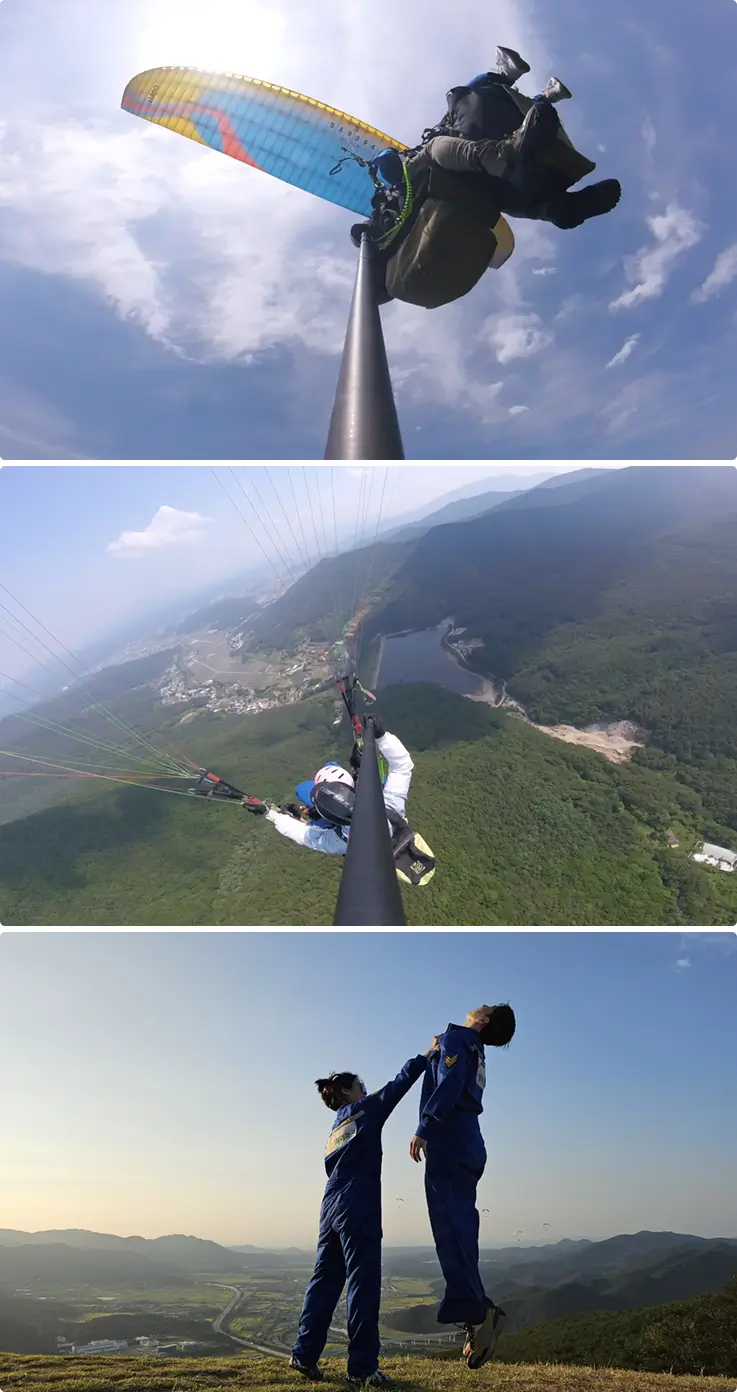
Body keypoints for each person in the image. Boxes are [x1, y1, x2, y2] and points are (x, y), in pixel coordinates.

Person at [290, 1041, 437, 1385]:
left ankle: (304, 1354)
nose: (366, 1091)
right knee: (363, 1286)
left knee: (323, 1283)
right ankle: (362, 1370)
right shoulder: (365, 1111)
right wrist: (427, 1055)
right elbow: (399, 1084)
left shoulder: (333, 1133)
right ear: (347, 1091)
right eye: (361, 1087)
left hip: (330, 1209)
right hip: (358, 1206)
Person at [409, 1003, 516, 1370]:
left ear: (483, 1020)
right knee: (460, 1229)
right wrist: (437, 1048)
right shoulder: (472, 1048)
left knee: (450, 1231)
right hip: (468, 1141)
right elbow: (450, 1073)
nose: (478, 1005)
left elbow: (450, 1083)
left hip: (450, 1139)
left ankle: (478, 1314)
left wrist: (426, 1125)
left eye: (484, 1007)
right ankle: (477, 1314)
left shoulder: (460, 1040)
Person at [243, 719, 414, 858]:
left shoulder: (340, 840)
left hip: (342, 828)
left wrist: (270, 813)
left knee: (304, 789)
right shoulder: (388, 804)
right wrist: (382, 737)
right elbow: (402, 767)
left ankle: (321, 798)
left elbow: (303, 834)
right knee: (316, 781)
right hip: (385, 819)